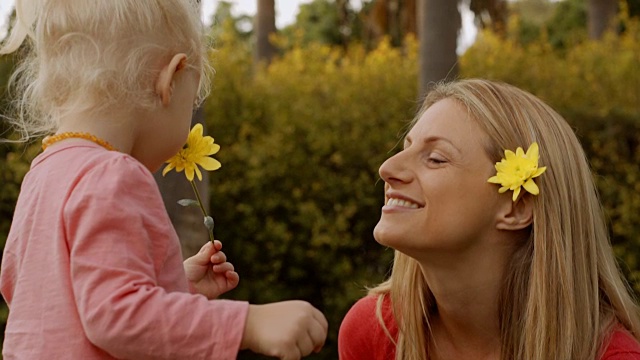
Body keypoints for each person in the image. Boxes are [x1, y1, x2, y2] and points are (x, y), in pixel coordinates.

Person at [0, 1, 327, 359]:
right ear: (170, 80)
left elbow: (55, 299)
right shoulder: (114, 174)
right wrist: (249, 323)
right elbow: (118, 317)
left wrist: (172, 283)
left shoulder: (43, 174)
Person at [338, 79, 640, 360]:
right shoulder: (374, 333)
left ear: (517, 207)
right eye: (407, 148)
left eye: (436, 159)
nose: (387, 168)